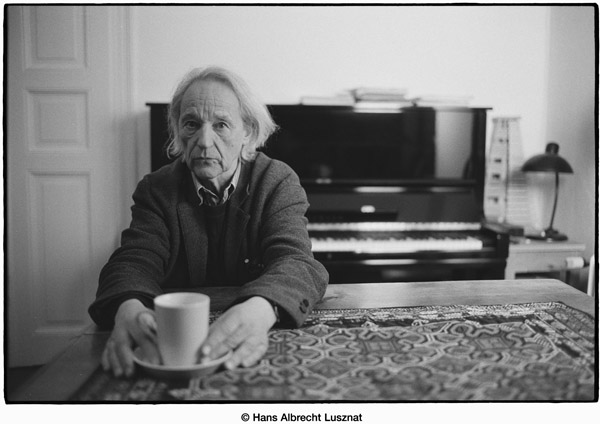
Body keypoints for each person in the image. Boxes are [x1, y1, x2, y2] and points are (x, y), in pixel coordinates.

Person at [89, 66, 329, 377]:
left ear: (248, 133)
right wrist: (128, 307)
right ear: (177, 130)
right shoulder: (156, 189)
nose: (203, 141)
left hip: (250, 336)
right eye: (191, 124)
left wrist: (262, 308)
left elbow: (297, 262)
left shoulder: (276, 181)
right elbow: (133, 262)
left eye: (221, 125)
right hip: (177, 344)